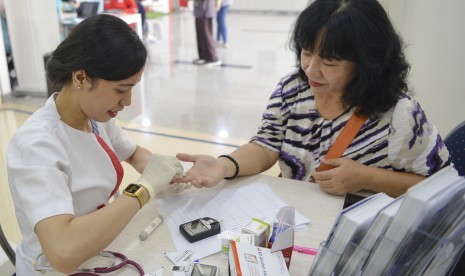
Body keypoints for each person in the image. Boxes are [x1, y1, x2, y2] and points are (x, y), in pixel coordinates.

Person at [175, 0, 452, 198]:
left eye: (329, 61)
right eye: (306, 52)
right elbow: (267, 144)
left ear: (367, 61)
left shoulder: (399, 113)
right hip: (298, 223)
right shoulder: (292, 88)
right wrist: (225, 164)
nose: (311, 68)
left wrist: (367, 178)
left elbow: (441, 186)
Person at [7, 14, 188, 274]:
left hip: (97, 253)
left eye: (133, 88)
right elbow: (63, 252)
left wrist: (169, 172)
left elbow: (134, 153)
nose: (127, 102)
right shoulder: (36, 146)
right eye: (120, 90)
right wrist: (144, 189)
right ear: (80, 78)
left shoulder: (95, 118)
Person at [192, 0, 222, 66]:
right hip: (200, 9)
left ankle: (211, 58)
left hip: (205, 10)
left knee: (206, 34)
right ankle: (203, 56)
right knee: (200, 35)